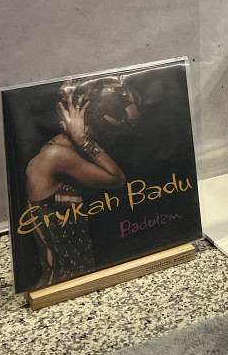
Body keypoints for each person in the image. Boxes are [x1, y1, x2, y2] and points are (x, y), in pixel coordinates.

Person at [24, 76, 141, 288]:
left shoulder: (62, 153)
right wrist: (82, 140)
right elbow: (117, 179)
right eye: (114, 127)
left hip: (77, 281)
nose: (114, 137)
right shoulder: (55, 156)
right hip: (60, 285)